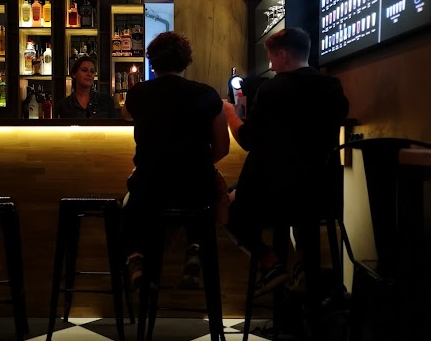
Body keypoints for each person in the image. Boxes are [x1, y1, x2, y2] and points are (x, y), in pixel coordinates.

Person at [223, 27, 349, 298]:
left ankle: (271, 264)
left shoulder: (273, 89)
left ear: (282, 55)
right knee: (303, 207)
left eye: (272, 59)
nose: (270, 66)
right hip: (322, 193)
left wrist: (231, 114)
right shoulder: (333, 86)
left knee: (226, 205)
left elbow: (248, 140)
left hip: (274, 195)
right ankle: (304, 267)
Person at [121, 31, 230, 290]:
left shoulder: (138, 94)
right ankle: (195, 249)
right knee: (198, 193)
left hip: (150, 188)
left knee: (128, 204)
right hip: (197, 188)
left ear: (152, 62)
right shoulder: (207, 95)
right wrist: (195, 161)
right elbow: (222, 148)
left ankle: (137, 257)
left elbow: (125, 114)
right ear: (186, 62)